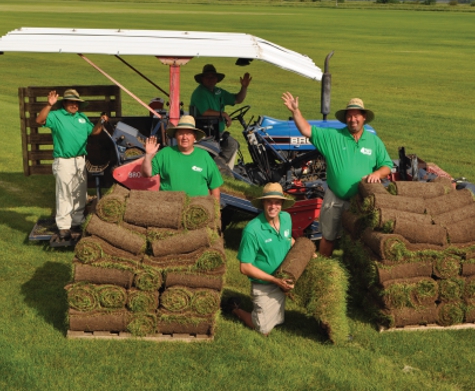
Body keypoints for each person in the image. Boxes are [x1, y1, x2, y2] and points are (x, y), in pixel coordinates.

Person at [281, 92, 393, 257]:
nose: (352, 119)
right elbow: (306, 130)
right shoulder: (333, 137)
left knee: (359, 238)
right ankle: (324, 267)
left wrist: (377, 173)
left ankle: (352, 268)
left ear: (363, 118)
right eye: (349, 116)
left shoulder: (374, 142)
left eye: (356, 116)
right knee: (328, 236)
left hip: (361, 201)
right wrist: (295, 111)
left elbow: (387, 166)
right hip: (335, 198)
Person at [223, 182, 295, 336]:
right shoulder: (252, 230)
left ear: (282, 203)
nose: (273, 206)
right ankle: (235, 309)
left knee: (278, 320)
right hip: (265, 284)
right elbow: (245, 267)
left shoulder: (286, 218)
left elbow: (289, 239)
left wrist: (305, 252)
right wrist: (274, 281)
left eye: (277, 202)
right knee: (263, 329)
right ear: (263, 202)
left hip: (283, 278)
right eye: (269, 201)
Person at [36, 89, 108, 241]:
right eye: (71, 102)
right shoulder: (56, 116)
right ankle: (63, 227)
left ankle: (77, 221)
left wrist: (101, 122)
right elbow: (39, 120)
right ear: (64, 103)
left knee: (79, 192)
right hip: (64, 161)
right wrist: (49, 104)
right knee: (65, 193)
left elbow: (93, 132)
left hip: (80, 160)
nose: (74, 105)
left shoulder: (82, 117)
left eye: (76, 102)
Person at [140, 115, 223, 200]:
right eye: (181, 134)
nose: (184, 137)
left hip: (197, 209)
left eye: (188, 134)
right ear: (176, 136)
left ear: (194, 137)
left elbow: (215, 187)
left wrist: (215, 210)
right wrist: (148, 156)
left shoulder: (204, 156)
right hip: (169, 206)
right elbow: (147, 174)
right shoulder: (165, 153)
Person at [190, 64, 252, 169]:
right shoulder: (199, 93)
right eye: (207, 77)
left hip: (216, 130)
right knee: (231, 144)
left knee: (233, 144)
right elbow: (205, 112)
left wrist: (244, 87)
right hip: (205, 130)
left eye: (213, 77)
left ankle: (222, 166)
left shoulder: (218, 92)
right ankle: (219, 167)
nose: (211, 79)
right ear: (202, 79)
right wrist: (223, 114)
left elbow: (237, 99)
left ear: (217, 79)